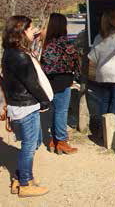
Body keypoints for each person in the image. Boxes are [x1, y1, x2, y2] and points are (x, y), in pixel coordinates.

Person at [2, 15, 53, 197]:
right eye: (31, 29)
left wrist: (36, 37)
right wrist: (44, 101)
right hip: (26, 105)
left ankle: (22, 177)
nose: (34, 32)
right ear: (22, 31)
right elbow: (32, 83)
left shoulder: (11, 51)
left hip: (20, 104)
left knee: (32, 142)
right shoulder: (20, 56)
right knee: (30, 145)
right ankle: (24, 183)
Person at [41, 13, 80, 154]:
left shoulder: (46, 43)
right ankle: (62, 141)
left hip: (48, 82)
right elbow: (75, 61)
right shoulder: (66, 43)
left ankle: (53, 141)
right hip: (63, 81)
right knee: (62, 111)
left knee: (53, 110)